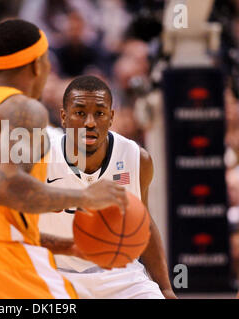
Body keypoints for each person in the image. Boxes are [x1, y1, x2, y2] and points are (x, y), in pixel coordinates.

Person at [0, 19, 128, 299]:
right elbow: (7, 189)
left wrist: (67, 247)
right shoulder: (22, 108)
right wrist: (85, 196)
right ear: (38, 64)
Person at [39, 75, 177, 299]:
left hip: (121, 276)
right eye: (80, 113)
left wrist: (165, 288)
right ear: (63, 117)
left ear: (111, 117)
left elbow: (144, 224)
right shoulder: (41, 157)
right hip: (57, 276)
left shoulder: (136, 159)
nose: (90, 122)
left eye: (100, 113)